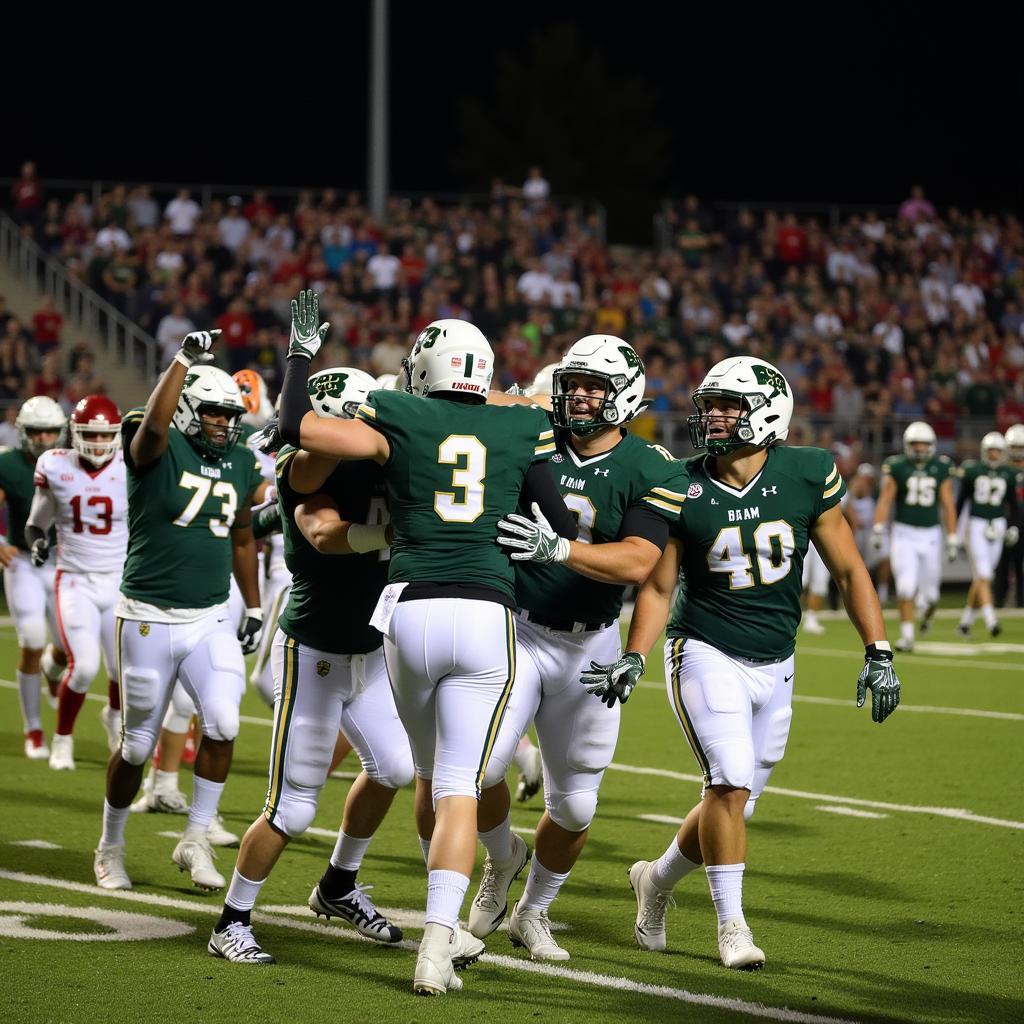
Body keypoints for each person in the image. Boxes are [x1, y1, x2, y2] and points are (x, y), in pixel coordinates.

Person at [275, 291, 576, 995]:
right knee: (459, 788)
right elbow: (554, 518)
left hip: (407, 610)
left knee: (426, 771)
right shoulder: (518, 428)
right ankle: (437, 948)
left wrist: (300, 354)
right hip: (484, 613)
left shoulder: (397, 411)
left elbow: (295, 426)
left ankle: (439, 923)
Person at [588, 356, 900, 971]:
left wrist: (879, 650)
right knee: (728, 782)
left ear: (767, 412)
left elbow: (847, 569)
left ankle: (655, 879)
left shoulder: (808, 472)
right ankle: (732, 927)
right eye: (710, 404)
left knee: (734, 804)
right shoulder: (682, 482)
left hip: (777, 659)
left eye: (728, 404)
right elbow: (657, 586)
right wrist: (635, 654)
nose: (712, 416)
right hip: (704, 648)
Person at [467, 337, 689, 962]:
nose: (579, 395)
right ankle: (501, 859)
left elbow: (641, 562)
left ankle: (533, 910)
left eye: (594, 385)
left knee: (576, 803)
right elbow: (479, 396)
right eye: (573, 383)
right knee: (479, 770)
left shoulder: (651, 466)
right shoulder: (530, 434)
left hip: (590, 641)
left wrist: (561, 551)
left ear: (625, 395)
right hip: (516, 626)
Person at [209, 366, 413, 965]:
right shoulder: (301, 467)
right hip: (314, 652)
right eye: (357, 417)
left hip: (371, 651)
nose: (368, 428)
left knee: (394, 767)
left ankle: (338, 885)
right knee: (293, 804)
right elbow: (325, 534)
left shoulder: (384, 463)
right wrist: (399, 533)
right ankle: (232, 919)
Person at [92, 330, 265, 893]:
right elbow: (155, 427)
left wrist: (255, 606)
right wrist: (184, 361)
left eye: (230, 415)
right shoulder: (157, 448)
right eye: (213, 414)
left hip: (210, 616)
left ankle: (193, 840)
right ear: (189, 410)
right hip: (146, 613)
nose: (224, 423)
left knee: (224, 722)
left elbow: (243, 536)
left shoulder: (240, 462)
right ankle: (109, 846)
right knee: (138, 744)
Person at [26, 395, 126, 770]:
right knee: (83, 667)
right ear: (75, 433)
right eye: (90, 435)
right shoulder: (55, 465)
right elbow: (38, 520)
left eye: (105, 437)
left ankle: (114, 721)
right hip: (75, 580)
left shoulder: (131, 465)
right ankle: (62, 738)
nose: (98, 444)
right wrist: (37, 541)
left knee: (121, 670)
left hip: (119, 580)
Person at [0, 396, 69, 757]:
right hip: (24, 561)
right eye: (37, 431)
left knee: (66, 644)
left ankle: (52, 674)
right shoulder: (9, 463)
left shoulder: (71, 459)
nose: (44, 438)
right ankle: (34, 729)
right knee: (30, 637)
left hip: (63, 561)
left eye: (51, 431)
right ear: (24, 433)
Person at [871, 422, 958, 652]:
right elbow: (886, 499)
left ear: (932, 445)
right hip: (904, 533)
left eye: (924, 444)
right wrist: (878, 527)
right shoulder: (897, 466)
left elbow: (948, 504)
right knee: (906, 587)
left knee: (932, 597)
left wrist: (952, 536)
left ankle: (927, 617)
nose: (919, 448)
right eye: (915, 444)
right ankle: (907, 635)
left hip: (931, 535)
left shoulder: (941, 467)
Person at [956, 432, 1020, 637]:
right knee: (984, 575)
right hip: (976, 523)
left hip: (998, 524)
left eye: (998, 451)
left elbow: (1013, 505)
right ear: (984, 451)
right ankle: (991, 620)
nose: (994, 455)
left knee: (983, 577)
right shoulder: (972, 470)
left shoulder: (1009, 473)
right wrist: (954, 531)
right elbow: (961, 502)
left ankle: (966, 622)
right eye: (991, 450)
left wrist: (1013, 526)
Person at [994, 424, 1024, 608]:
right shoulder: (1001, 469)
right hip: (1005, 519)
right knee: (1002, 564)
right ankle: (998, 601)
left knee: (1021, 566)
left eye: (1021, 448)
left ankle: (1021, 602)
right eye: (1014, 447)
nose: (1017, 452)